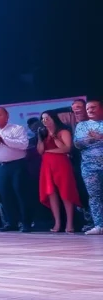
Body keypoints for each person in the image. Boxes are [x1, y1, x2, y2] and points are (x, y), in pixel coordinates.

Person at [0, 107, 32, 232]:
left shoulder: (17, 128)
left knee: (21, 194)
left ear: (6, 116)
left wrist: (4, 140)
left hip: (17, 166)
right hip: (0, 167)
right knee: (5, 194)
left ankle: (26, 223)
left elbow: (23, 145)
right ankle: (12, 222)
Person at [37, 111, 80, 233]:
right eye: (43, 119)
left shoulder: (63, 131)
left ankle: (70, 224)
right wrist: (40, 138)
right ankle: (57, 223)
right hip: (47, 165)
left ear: (53, 118)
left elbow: (66, 148)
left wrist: (54, 137)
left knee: (66, 192)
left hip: (61, 164)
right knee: (51, 192)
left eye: (47, 118)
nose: (44, 121)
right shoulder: (44, 133)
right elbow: (40, 151)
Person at [74, 97, 103, 235]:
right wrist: (91, 139)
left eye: (93, 107)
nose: (90, 110)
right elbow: (77, 144)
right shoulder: (81, 126)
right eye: (88, 108)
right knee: (94, 196)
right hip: (89, 167)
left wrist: (100, 137)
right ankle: (99, 225)